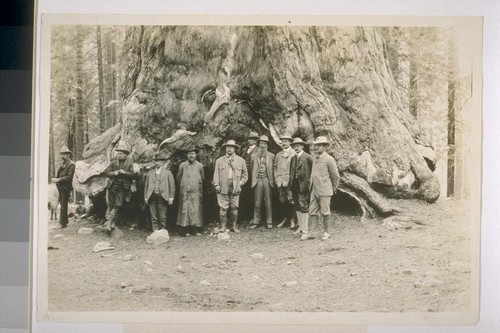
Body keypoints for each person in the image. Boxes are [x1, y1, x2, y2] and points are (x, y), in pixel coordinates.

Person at [308, 136, 340, 241]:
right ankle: (313, 231)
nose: (317, 147)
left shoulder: (329, 159)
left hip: (325, 190)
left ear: (325, 147)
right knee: (312, 210)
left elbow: (335, 176)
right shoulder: (314, 158)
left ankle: (327, 232)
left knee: (325, 211)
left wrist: (333, 188)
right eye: (316, 145)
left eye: (319, 145)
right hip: (314, 189)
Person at [213, 140, 248, 233]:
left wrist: (241, 183)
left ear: (235, 149)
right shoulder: (219, 161)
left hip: (235, 186)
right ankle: (223, 226)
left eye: (231, 147)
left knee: (234, 207)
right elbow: (216, 174)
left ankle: (234, 226)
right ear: (225, 148)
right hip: (223, 186)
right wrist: (216, 184)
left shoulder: (241, 161)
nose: (229, 149)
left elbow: (245, 175)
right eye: (227, 147)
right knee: (223, 207)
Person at [102, 142, 135, 233]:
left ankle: (109, 222)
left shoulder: (129, 163)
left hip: (123, 187)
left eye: (121, 153)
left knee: (118, 205)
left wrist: (125, 173)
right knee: (111, 205)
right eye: (118, 153)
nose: (119, 155)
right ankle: (113, 223)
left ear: (125, 154)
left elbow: (133, 175)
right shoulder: (113, 162)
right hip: (112, 186)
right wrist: (114, 173)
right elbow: (106, 172)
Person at [287, 138, 314, 240]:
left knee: (303, 205)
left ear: (302, 146)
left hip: (303, 185)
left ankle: (305, 231)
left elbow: (313, 171)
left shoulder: (308, 157)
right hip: (294, 184)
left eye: (298, 145)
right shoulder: (293, 158)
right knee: (297, 205)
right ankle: (301, 228)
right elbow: (291, 172)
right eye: (294, 146)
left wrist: (310, 182)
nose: (296, 147)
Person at [176, 146, 205, 236]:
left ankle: (195, 229)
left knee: (195, 209)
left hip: (196, 192)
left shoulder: (200, 166)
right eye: (189, 153)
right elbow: (178, 178)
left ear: (196, 155)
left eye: (192, 153)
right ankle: (185, 229)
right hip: (185, 192)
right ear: (187, 155)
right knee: (185, 210)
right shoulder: (182, 165)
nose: (191, 155)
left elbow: (202, 178)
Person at [144, 151, 175, 232]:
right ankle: (155, 232)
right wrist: (146, 197)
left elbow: (172, 186)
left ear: (162, 162)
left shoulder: (168, 173)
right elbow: (146, 186)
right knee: (153, 217)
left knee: (162, 217)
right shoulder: (150, 173)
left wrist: (171, 198)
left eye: (159, 161)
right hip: (152, 197)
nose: (157, 163)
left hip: (163, 197)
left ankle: (162, 232)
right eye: (156, 161)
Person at [249, 135, 275, 229]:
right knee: (257, 201)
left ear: (267, 145)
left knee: (268, 201)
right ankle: (256, 221)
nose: (262, 145)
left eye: (264, 143)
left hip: (267, 180)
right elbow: (252, 169)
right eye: (261, 143)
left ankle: (269, 221)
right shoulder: (253, 155)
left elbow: (273, 169)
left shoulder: (272, 156)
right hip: (257, 179)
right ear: (258, 144)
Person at [274, 134, 296, 229]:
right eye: (283, 141)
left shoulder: (294, 153)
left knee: (291, 200)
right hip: (280, 182)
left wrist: (293, 180)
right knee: (283, 201)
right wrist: (276, 178)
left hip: (289, 181)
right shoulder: (278, 155)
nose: (284, 143)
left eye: (286, 141)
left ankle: (293, 220)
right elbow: (275, 167)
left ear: (290, 142)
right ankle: (285, 218)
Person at [51, 146, 75, 229]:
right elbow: (60, 174)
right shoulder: (63, 164)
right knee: (62, 204)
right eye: (62, 154)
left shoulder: (71, 164)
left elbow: (69, 177)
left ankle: (62, 223)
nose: (62, 156)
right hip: (61, 187)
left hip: (66, 188)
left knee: (63, 205)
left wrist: (58, 179)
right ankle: (65, 221)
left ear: (68, 155)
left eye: (64, 154)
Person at [239, 131, 260, 223]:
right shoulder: (244, 150)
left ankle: (252, 217)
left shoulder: (258, 150)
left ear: (256, 141)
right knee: (243, 195)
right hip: (243, 174)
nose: (250, 140)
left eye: (252, 139)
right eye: (249, 138)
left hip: (252, 175)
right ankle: (243, 216)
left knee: (252, 195)